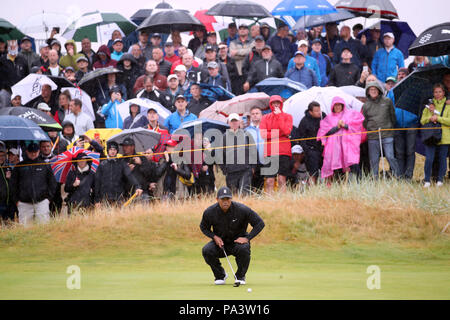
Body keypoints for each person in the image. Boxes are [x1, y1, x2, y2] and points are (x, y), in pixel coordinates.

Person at [200, 186, 265, 285]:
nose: (225, 201)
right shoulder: (210, 212)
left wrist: (247, 238)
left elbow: (259, 223)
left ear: (231, 199)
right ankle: (220, 275)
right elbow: (203, 227)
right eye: (223, 199)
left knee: (244, 249)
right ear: (217, 199)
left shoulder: (242, 209)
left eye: (228, 199)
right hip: (220, 244)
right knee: (207, 250)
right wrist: (214, 237)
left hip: (237, 244)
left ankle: (240, 276)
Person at [317, 97, 365, 182]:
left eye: (339, 105)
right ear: (332, 106)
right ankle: (340, 185)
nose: (338, 107)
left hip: (348, 146)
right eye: (336, 105)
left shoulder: (350, 114)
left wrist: (345, 126)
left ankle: (360, 182)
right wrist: (337, 127)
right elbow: (325, 132)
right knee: (337, 166)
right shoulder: (328, 118)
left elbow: (357, 127)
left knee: (353, 164)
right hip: (335, 148)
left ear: (343, 105)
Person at [10, 142, 57, 226]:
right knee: (25, 229)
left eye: (35, 151)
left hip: (42, 202)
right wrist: (16, 200)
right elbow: (13, 184)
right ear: (27, 152)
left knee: (44, 227)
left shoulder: (44, 165)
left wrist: (48, 198)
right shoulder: (19, 166)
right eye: (31, 152)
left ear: (39, 151)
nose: (33, 154)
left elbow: (52, 183)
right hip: (24, 203)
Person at [362, 81, 399, 179]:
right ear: (368, 92)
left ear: (379, 90)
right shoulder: (366, 105)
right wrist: (371, 128)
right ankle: (375, 177)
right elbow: (364, 121)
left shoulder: (387, 101)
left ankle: (397, 175)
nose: (373, 91)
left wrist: (389, 127)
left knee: (390, 156)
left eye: (375, 89)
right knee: (374, 159)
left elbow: (393, 117)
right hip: (373, 136)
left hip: (387, 134)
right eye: (371, 90)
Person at [260, 95, 293, 193]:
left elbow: (287, 131)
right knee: (270, 180)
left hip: (284, 151)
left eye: (278, 103)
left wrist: (279, 117)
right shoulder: (265, 118)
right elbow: (263, 134)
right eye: (273, 103)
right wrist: (279, 134)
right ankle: (269, 202)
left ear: (281, 104)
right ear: (270, 104)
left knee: (281, 179)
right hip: (270, 151)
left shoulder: (287, 117)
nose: (276, 105)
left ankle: (283, 201)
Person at [94, 141, 143, 206]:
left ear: (117, 151)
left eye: (114, 149)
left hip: (118, 198)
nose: (112, 151)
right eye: (110, 149)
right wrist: (97, 200)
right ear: (107, 151)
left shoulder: (122, 164)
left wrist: (137, 186)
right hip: (104, 198)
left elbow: (130, 176)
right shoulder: (102, 165)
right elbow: (97, 182)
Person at [420, 83, 450, 187]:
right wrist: (430, 117)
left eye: (440, 92)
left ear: (444, 92)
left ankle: (440, 180)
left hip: (445, 137)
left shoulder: (448, 105)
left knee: (442, 159)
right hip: (431, 137)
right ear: (433, 93)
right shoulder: (429, 106)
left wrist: (438, 118)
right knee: (429, 158)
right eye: (435, 92)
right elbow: (422, 121)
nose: (437, 94)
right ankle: (427, 180)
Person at [219, 113, 254, 196]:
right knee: (233, 195)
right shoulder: (224, 137)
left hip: (245, 169)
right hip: (231, 171)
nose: (234, 123)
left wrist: (253, 167)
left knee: (245, 194)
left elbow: (253, 151)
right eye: (232, 121)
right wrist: (224, 169)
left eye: (236, 121)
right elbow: (220, 155)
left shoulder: (247, 135)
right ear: (228, 123)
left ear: (239, 122)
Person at [296, 101, 326, 184]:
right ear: (310, 112)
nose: (319, 112)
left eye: (319, 110)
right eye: (316, 111)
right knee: (313, 172)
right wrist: (307, 150)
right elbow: (301, 138)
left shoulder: (323, 116)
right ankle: (312, 190)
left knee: (327, 171)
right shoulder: (304, 121)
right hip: (311, 150)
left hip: (324, 148)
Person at [245, 106, 266, 192]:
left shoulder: (266, 129)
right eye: (253, 114)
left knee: (264, 184)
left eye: (257, 113)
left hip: (264, 160)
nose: (255, 115)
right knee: (252, 185)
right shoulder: (246, 131)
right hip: (251, 162)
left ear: (261, 115)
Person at [229, 24, 254, 94]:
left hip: (249, 73)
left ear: (248, 31)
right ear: (238, 31)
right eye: (240, 29)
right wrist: (246, 52)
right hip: (238, 73)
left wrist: (237, 51)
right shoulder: (233, 42)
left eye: (244, 28)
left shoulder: (252, 41)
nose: (242, 30)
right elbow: (232, 56)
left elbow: (251, 51)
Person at [0, 142, 15, 221]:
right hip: (1, 202)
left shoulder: (9, 167)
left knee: (10, 225)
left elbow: (14, 184)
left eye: (3, 155)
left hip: (9, 202)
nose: (1, 158)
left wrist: (10, 178)